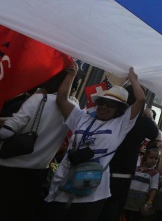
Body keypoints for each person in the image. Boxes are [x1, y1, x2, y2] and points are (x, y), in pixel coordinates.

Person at [45, 65, 145, 221]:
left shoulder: (120, 125)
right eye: (102, 102)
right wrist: (72, 75)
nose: (104, 107)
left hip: (92, 193)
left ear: (119, 110)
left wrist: (133, 79)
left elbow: (141, 100)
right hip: (62, 185)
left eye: (110, 105)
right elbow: (61, 98)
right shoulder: (81, 117)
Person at [0, 69, 77, 221]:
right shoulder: (72, 110)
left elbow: (7, 132)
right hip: (39, 171)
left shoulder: (38, 99)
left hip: (9, 168)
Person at [98, 84, 160, 221]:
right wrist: (148, 116)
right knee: (112, 211)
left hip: (101, 170)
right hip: (122, 176)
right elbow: (156, 135)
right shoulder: (142, 122)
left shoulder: (111, 116)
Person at [123, 148, 160, 221]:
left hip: (139, 205)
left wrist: (148, 204)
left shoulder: (154, 173)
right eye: (151, 157)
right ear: (145, 157)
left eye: (156, 158)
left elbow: (154, 189)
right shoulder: (135, 169)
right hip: (127, 202)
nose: (154, 160)